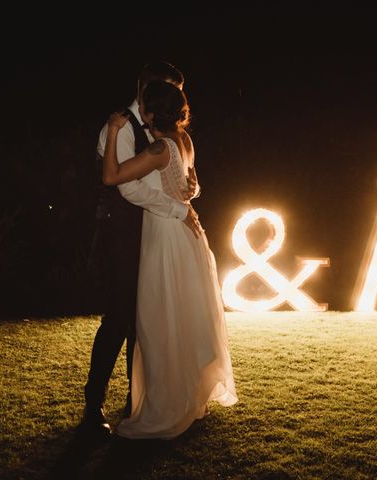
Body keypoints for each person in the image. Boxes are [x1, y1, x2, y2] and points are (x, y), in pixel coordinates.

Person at [102, 80, 237, 439]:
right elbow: (191, 183)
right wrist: (192, 191)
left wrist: (114, 132)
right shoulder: (184, 141)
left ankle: (168, 401)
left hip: (165, 234)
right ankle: (191, 394)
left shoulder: (161, 148)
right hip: (188, 233)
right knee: (186, 311)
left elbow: (111, 176)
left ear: (150, 112)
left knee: (160, 316)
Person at [82, 61, 201, 437]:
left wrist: (186, 190)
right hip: (124, 235)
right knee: (118, 317)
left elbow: (179, 177)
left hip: (156, 233)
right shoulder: (117, 127)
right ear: (146, 90)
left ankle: (142, 398)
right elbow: (126, 188)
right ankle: (92, 404)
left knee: (147, 318)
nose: (176, 101)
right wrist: (178, 208)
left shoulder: (167, 132)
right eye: (169, 92)